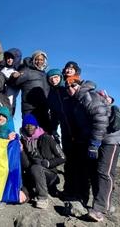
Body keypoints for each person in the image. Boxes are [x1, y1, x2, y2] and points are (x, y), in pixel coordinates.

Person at [65, 80, 110, 210]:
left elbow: (100, 120)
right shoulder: (78, 100)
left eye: (73, 85)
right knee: (85, 170)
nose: (70, 88)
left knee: (99, 172)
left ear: (80, 85)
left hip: (101, 140)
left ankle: (101, 206)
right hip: (87, 140)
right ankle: (83, 199)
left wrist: (95, 144)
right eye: (67, 86)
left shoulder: (88, 96)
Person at [20, 114, 65, 209]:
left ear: (36, 126)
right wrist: (21, 151)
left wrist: (49, 163)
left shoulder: (47, 138)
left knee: (36, 168)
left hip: (49, 173)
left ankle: (43, 198)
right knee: (22, 192)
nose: (29, 127)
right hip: (32, 173)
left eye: (31, 125)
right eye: (26, 125)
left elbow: (62, 157)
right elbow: (25, 164)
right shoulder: (22, 140)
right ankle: (27, 195)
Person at [46, 69, 78, 198]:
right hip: (65, 130)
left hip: (77, 128)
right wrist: (53, 129)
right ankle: (68, 189)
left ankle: (79, 191)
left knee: (79, 161)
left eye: (56, 77)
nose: (54, 80)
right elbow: (54, 115)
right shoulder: (51, 95)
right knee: (69, 161)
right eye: (51, 78)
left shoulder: (67, 88)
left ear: (60, 77)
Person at [14, 50, 50, 132]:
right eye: (37, 59)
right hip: (29, 110)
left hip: (43, 110)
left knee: (45, 136)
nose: (39, 61)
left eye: (42, 59)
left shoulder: (45, 74)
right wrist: (15, 76)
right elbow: (15, 82)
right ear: (33, 60)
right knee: (30, 135)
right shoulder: (27, 71)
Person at [0, 48, 22, 115]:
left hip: (10, 103)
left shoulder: (19, 71)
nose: (9, 60)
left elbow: (16, 84)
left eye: (12, 58)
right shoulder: (1, 69)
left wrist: (14, 77)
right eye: (8, 58)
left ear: (16, 59)